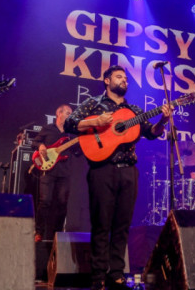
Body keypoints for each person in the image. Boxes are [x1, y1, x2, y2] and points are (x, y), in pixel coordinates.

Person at [64, 65, 171, 290]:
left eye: (126, 78)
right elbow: (70, 123)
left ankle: (117, 275)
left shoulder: (133, 110)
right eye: (119, 77)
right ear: (106, 80)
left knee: (122, 225)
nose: (124, 80)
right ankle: (98, 278)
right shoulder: (94, 103)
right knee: (101, 224)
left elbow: (151, 133)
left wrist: (162, 120)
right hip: (102, 169)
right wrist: (95, 122)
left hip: (128, 171)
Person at [32, 104, 80, 241]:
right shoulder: (47, 129)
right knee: (45, 201)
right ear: (59, 113)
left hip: (65, 172)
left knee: (62, 203)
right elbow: (34, 143)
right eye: (68, 113)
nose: (71, 115)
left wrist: (80, 145)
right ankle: (38, 231)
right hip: (48, 170)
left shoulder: (71, 134)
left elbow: (77, 153)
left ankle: (57, 233)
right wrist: (40, 145)